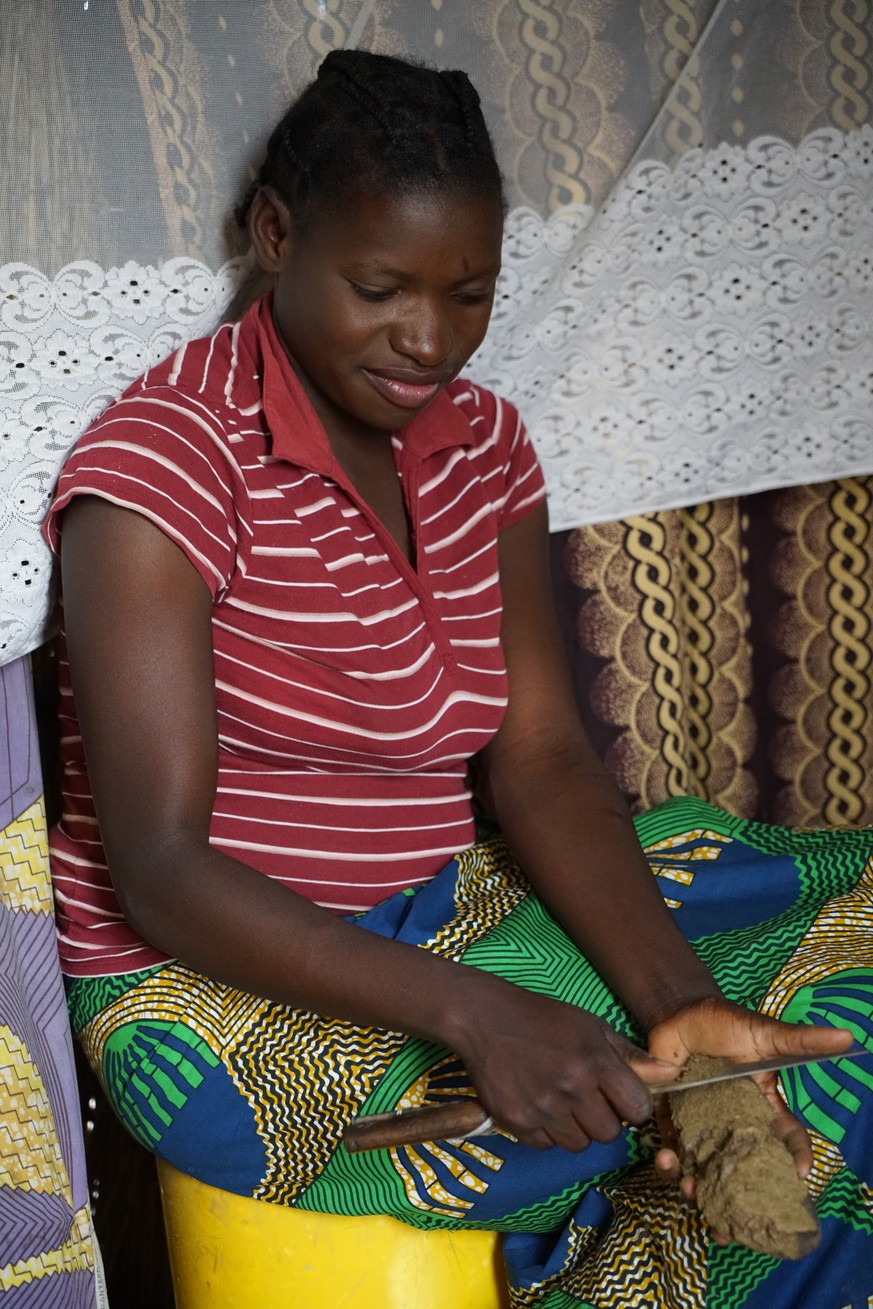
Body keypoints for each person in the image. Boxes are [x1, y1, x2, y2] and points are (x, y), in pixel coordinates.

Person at [44, 50, 873, 1306]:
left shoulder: (481, 445)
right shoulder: (169, 466)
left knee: (790, 1033)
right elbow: (159, 867)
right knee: (627, 1099)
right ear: (275, 234)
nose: (428, 340)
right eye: (379, 288)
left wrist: (686, 1007)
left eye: (469, 294)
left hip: (451, 914)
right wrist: (483, 1019)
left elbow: (538, 754)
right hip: (225, 998)